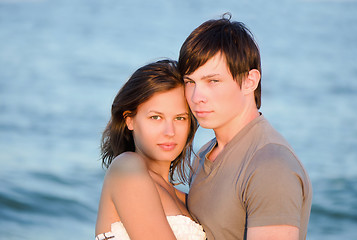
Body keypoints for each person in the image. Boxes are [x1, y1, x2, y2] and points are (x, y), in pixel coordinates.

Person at [178, 14, 312, 240]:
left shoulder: (271, 164)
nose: (197, 97)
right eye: (190, 82)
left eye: (213, 81)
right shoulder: (204, 154)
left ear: (250, 81)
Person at [95, 59, 206, 240]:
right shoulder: (126, 167)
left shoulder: (186, 199)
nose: (170, 132)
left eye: (180, 118)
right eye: (156, 117)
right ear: (129, 120)